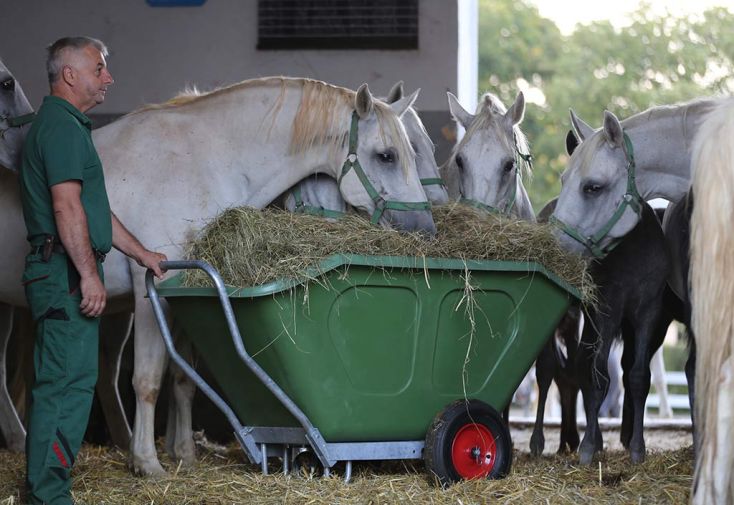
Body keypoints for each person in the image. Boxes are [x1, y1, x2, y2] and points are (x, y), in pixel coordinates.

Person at [19, 36, 167, 505]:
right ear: (70, 75)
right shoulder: (60, 129)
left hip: (62, 272)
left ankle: (40, 491)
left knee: (65, 384)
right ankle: (48, 496)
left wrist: (142, 253)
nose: (109, 78)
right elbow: (66, 210)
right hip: (63, 275)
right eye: (99, 69)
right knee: (66, 387)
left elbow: (93, 209)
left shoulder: (68, 127)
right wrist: (88, 275)